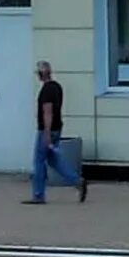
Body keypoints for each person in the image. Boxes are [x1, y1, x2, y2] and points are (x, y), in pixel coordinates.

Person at [24, 59, 87, 204]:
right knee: (54, 160)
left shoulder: (46, 90)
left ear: (41, 73)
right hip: (57, 128)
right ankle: (77, 181)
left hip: (46, 130)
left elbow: (48, 112)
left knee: (39, 161)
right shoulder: (57, 87)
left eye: (38, 72)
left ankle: (38, 195)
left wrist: (46, 133)